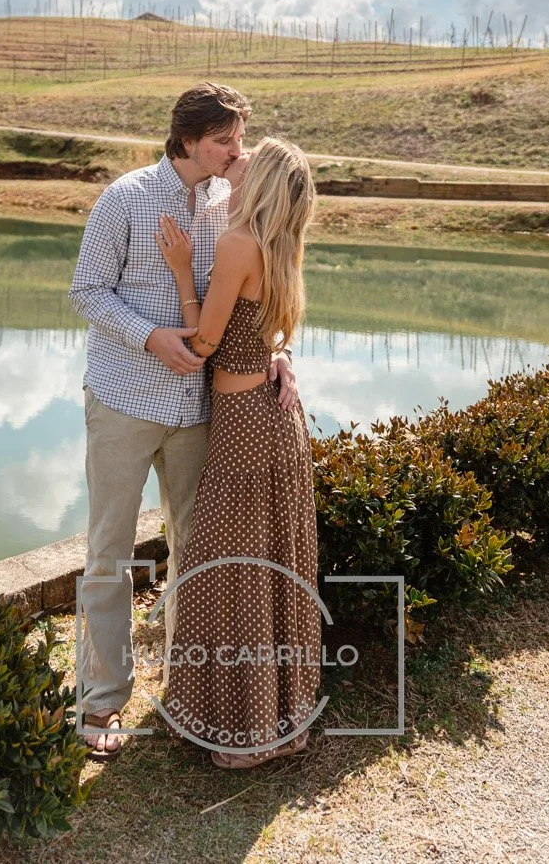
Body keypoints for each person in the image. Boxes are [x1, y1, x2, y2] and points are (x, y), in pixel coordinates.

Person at [68, 83, 299, 758]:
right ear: (190, 139)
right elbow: (86, 290)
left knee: (198, 552)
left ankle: (188, 689)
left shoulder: (236, 201)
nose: (239, 149)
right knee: (109, 550)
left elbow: (258, 294)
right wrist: (147, 337)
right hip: (124, 401)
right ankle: (101, 701)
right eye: (226, 139)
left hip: (202, 409)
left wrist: (282, 353)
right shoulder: (126, 199)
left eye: (241, 137)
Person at [155, 136, 320, 769]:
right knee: (273, 559)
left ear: (261, 182)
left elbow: (203, 343)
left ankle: (244, 733)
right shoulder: (280, 244)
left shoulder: (235, 245)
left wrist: (179, 268)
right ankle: (277, 715)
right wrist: (281, 358)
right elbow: (268, 335)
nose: (237, 156)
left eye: (247, 159)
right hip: (278, 422)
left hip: (244, 423)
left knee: (228, 565)